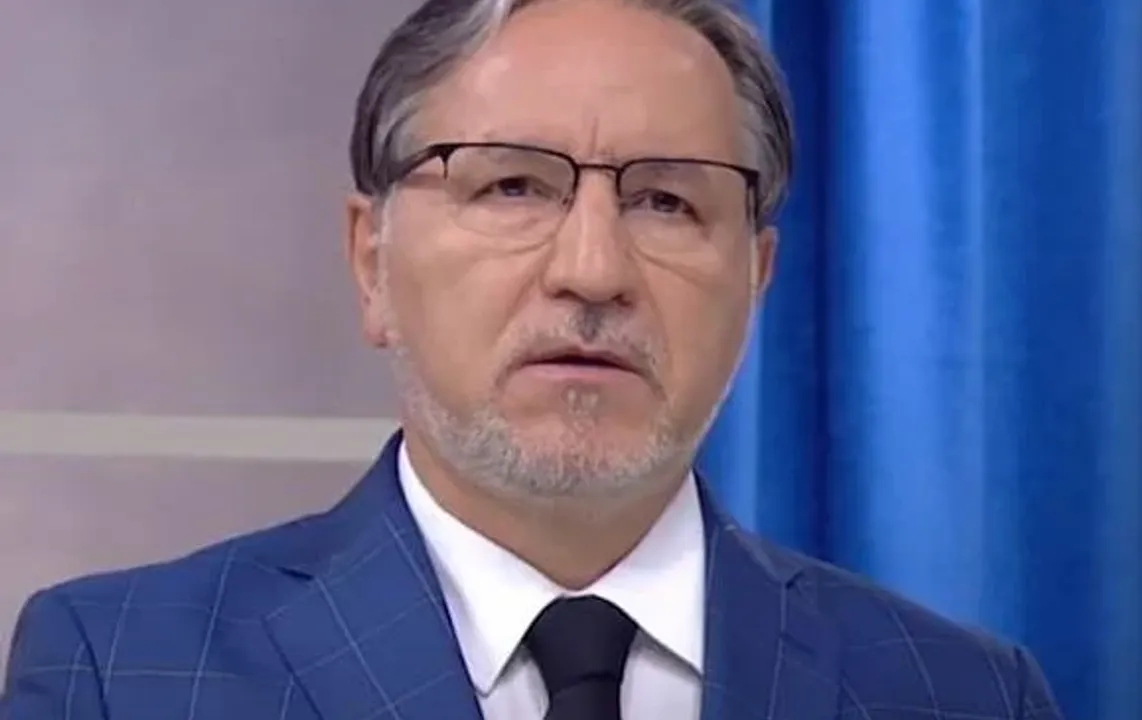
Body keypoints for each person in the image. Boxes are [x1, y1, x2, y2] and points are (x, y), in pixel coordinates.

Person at [0, 0, 1064, 718]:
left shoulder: (959, 694)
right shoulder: (120, 670)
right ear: (371, 263)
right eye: (512, 186)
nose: (592, 271)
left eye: (666, 201)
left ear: (756, 277)